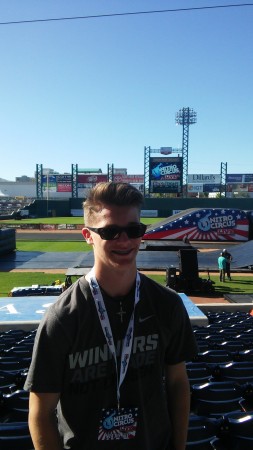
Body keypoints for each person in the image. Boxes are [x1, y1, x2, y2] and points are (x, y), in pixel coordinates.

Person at [24, 182, 198, 450]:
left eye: (133, 230)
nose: (124, 240)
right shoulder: (63, 316)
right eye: (110, 231)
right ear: (87, 235)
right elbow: (40, 411)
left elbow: (177, 383)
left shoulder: (167, 305)